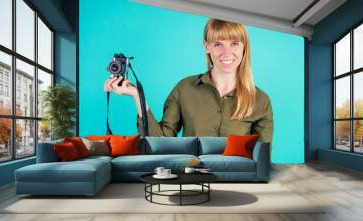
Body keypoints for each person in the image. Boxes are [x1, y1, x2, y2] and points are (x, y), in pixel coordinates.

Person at [104, 19, 273, 143]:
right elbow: (160, 141)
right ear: (206, 46)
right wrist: (136, 95)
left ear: (245, 47)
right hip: (193, 180)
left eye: (235, 43)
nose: (226, 52)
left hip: (238, 182)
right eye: (218, 44)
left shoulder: (260, 100)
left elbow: (262, 159)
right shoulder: (184, 89)